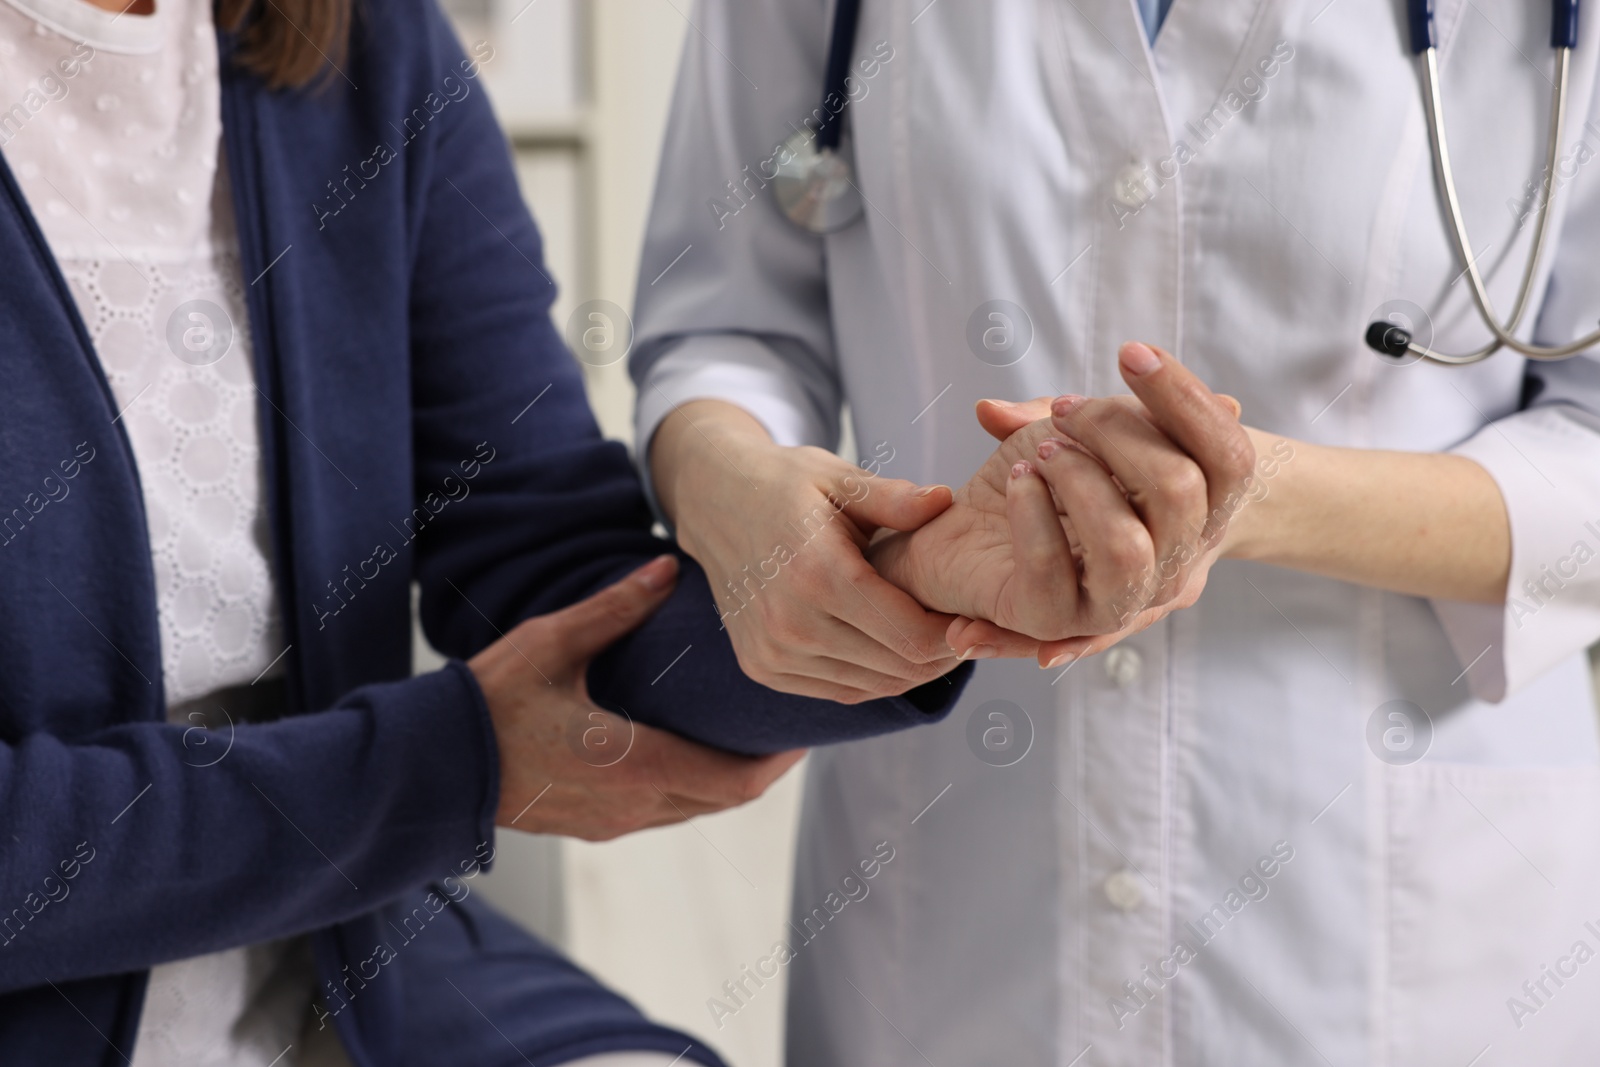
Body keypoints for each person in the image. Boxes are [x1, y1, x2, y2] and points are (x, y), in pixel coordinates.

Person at [0, 0, 975, 1061]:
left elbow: (554, 566)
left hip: (335, 973)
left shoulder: (366, 44)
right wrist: (441, 767)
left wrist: (912, 574)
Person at [633, 0, 1600, 1063]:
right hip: (955, 905)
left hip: (1396, 926)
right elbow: (722, 328)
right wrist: (735, 488)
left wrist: (1252, 496)